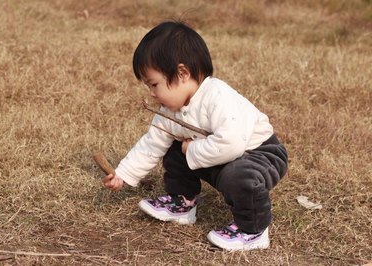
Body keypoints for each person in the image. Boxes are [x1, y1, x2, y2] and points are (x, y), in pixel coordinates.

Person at [103, 20, 288, 251]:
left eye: (154, 84)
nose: (151, 94)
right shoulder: (169, 111)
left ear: (182, 73)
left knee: (239, 176)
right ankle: (183, 201)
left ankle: (253, 230)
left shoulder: (218, 97)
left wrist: (191, 150)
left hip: (259, 154)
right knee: (170, 144)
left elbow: (232, 144)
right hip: (218, 152)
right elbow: (151, 144)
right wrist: (123, 174)